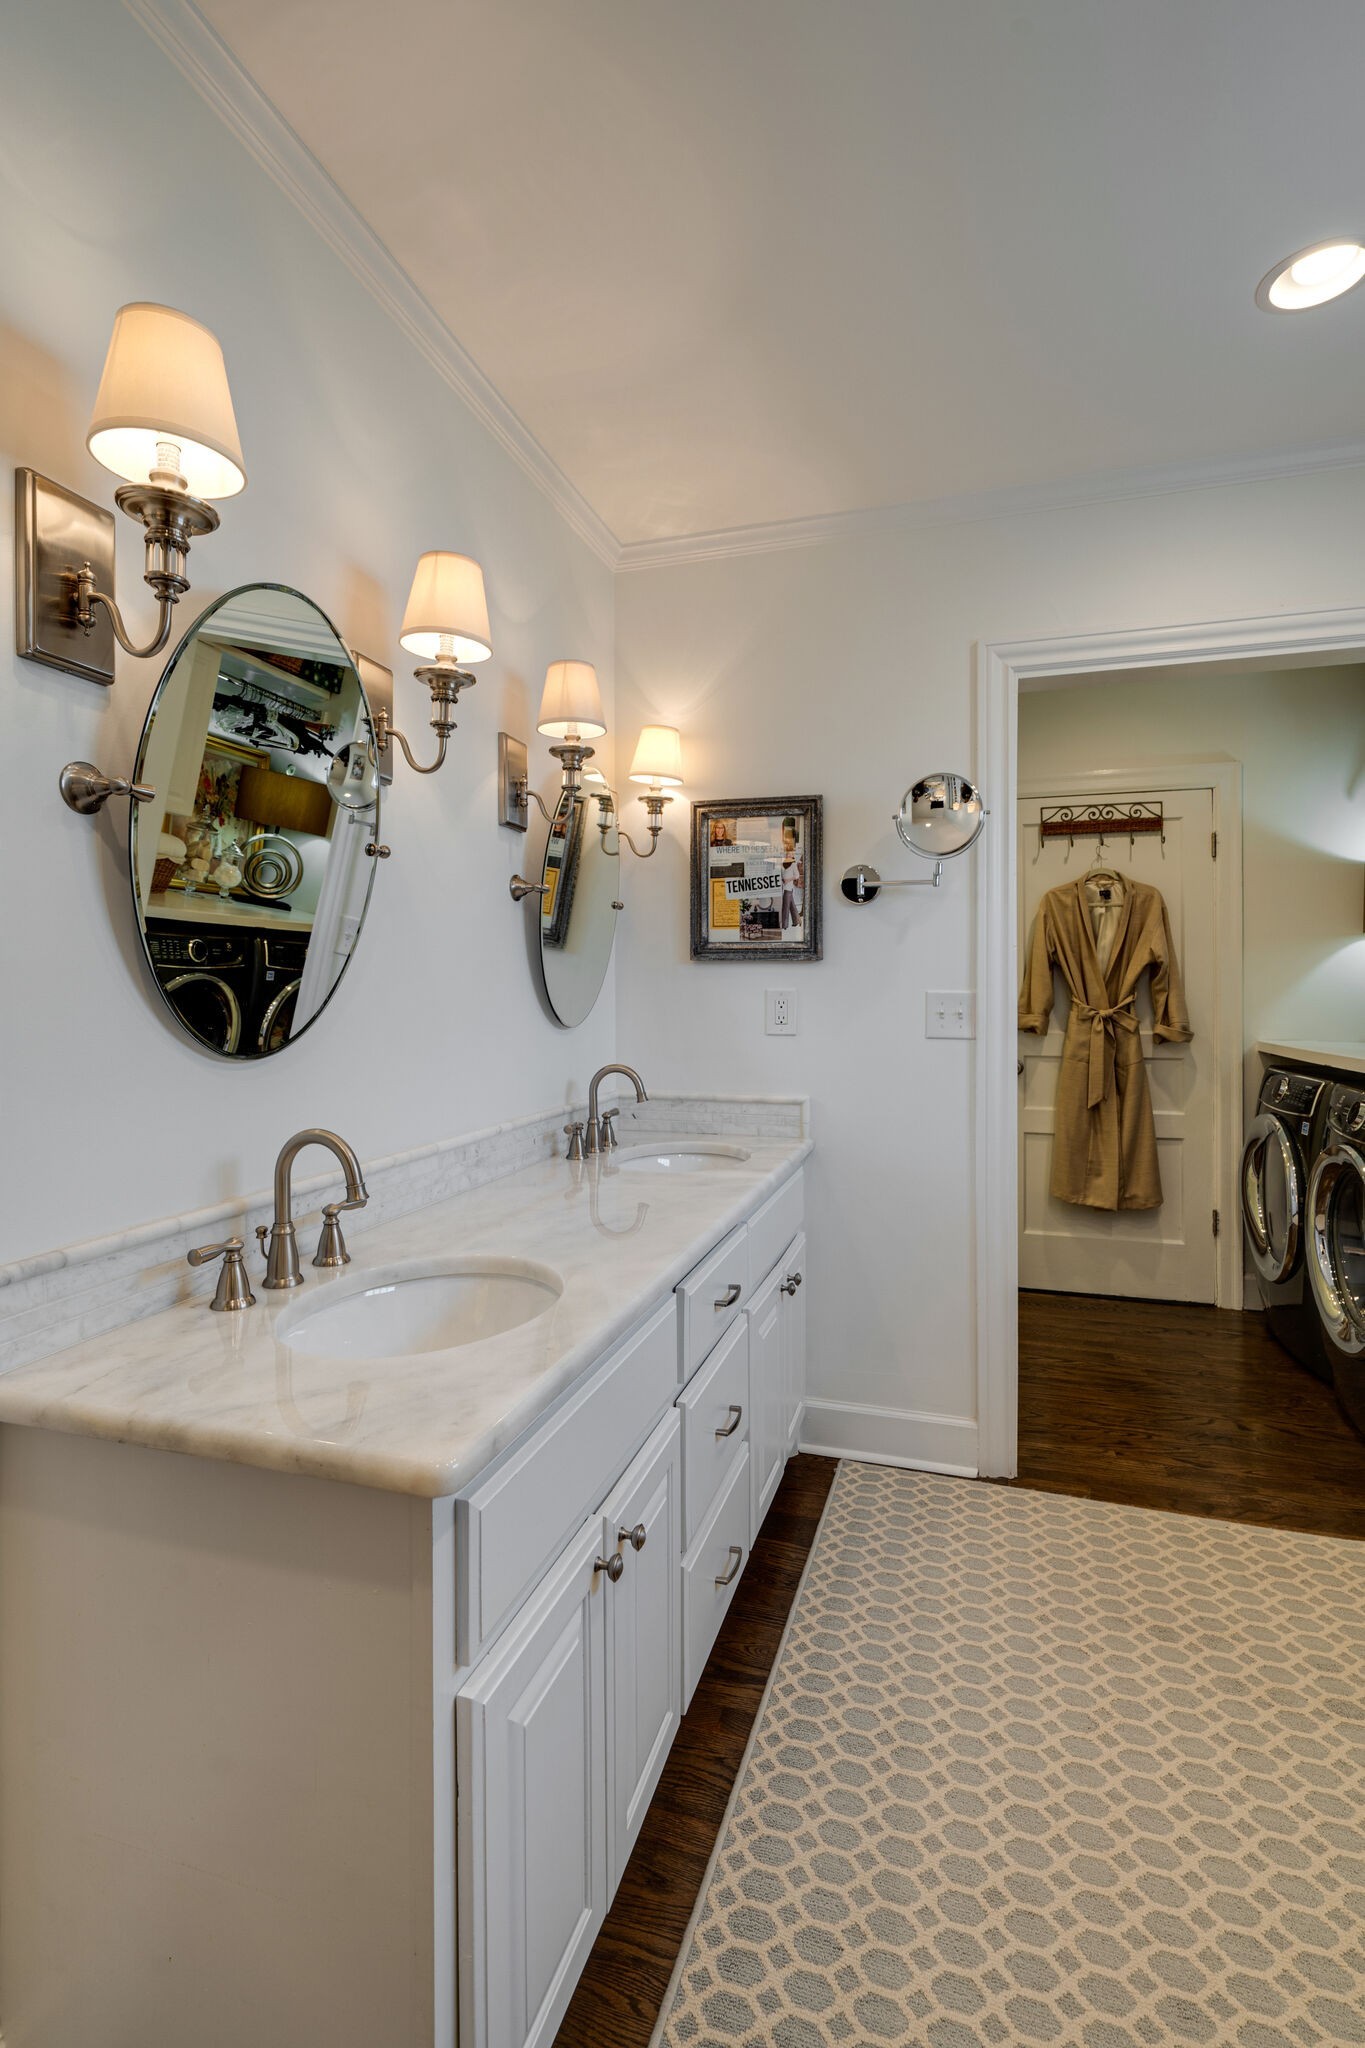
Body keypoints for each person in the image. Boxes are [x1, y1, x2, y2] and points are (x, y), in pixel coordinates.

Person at [779, 816, 803, 931]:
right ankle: (797, 920)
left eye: (790, 854)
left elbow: (797, 876)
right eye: (787, 854)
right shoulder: (784, 863)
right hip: (784, 887)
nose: (788, 855)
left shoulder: (793, 864)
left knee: (785, 906)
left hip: (788, 888)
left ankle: (784, 925)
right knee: (792, 905)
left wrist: (788, 880)